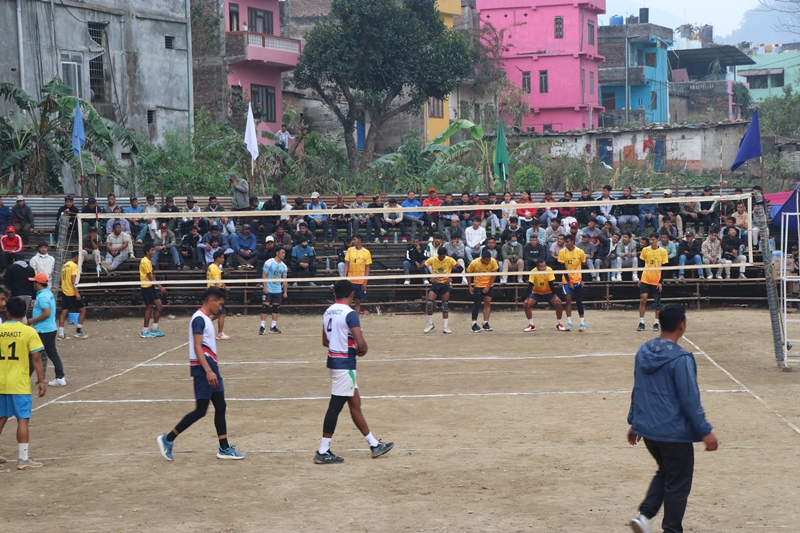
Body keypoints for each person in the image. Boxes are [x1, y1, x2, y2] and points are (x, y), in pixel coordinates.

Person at [626, 304, 717, 533]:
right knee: (678, 482)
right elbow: (689, 398)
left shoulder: (643, 351)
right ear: (682, 325)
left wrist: (635, 421)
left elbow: (638, 388)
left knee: (666, 471)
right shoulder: (681, 358)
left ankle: (644, 516)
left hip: (649, 431)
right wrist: (705, 431)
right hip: (673, 432)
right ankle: (671, 529)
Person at [156, 286, 244, 461]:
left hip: (211, 367)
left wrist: (212, 369)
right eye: (219, 303)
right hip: (204, 369)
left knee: (221, 406)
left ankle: (224, 447)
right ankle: (168, 438)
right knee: (201, 410)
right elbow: (197, 347)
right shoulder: (198, 319)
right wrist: (208, 371)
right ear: (211, 301)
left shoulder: (204, 318)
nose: (221, 307)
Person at [314, 280, 394, 464]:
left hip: (334, 361)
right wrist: (362, 348)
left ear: (335, 295)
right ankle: (323, 450)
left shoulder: (328, 311)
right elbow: (361, 342)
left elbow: (325, 341)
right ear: (351, 294)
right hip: (345, 364)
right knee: (335, 406)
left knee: (354, 403)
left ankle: (374, 444)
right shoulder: (350, 313)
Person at [0, 296, 46, 470]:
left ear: (7, 312)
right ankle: (23, 458)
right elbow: (36, 357)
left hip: (1, 381)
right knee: (23, 419)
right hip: (19, 382)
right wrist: (41, 381)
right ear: (25, 313)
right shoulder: (29, 332)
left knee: (1, 417)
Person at [27, 273, 65, 387]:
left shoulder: (42, 296)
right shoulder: (48, 293)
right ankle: (60, 377)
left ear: (38, 283)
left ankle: (25, 378)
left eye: (34, 282)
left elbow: (46, 313)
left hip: (43, 330)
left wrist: (32, 320)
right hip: (51, 328)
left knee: (33, 355)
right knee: (52, 353)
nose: (33, 284)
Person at [523, 258, 565, 332]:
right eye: (541, 267)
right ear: (537, 267)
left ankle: (559, 323)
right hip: (536, 293)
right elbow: (530, 285)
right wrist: (527, 298)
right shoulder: (533, 272)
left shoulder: (549, 270)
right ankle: (531, 325)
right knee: (526, 304)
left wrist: (555, 296)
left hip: (548, 293)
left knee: (558, 303)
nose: (544, 268)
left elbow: (551, 284)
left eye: (544, 266)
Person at [423, 247, 457, 334]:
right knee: (430, 303)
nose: (441, 258)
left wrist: (451, 278)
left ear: (445, 255)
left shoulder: (450, 260)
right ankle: (430, 324)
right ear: (437, 254)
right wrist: (429, 277)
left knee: (445, 306)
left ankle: (445, 327)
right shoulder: (432, 260)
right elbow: (421, 267)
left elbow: (460, 268)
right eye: (440, 256)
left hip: (445, 285)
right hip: (435, 284)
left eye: (443, 256)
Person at [638, 235, 668, 332]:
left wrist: (660, 282)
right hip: (645, 278)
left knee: (657, 302)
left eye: (653, 239)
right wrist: (640, 278)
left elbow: (664, 268)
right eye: (650, 239)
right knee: (643, 300)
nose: (651, 241)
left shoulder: (663, 251)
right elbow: (641, 264)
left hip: (656, 279)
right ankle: (641, 322)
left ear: (657, 240)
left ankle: (656, 322)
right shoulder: (645, 250)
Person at [558, 234, 587, 332]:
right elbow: (562, 267)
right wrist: (569, 281)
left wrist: (582, 279)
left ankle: (582, 323)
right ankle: (569, 323)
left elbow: (584, 265)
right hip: (566, 279)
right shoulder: (562, 252)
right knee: (568, 300)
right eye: (565, 242)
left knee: (579, 300)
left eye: (568, 242)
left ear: (572, 242)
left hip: (577, 279)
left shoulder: (580, 252)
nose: (566, 243)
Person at [466, 249, 498, 333]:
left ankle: (485, 322)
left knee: (487, 303)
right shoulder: (474, 263)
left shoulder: (493, 261)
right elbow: (468, 273)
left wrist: (488, 286)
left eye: (489, 260)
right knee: (477, 304)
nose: (488, 262)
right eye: (486, 260)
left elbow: (494, 274)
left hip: (489, 285)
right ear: (482, 258)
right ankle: (473, 323)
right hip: (478, 285)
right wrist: (470, 286)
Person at [57, 250, 88, 340]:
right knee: (83, 310)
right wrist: (77, 292)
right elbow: (73, 279)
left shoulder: (65, 265)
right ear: (76, 257)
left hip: (64, 290)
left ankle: (61, 334)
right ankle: (78, 331)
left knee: (64, 311)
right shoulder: (74, 266)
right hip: (71, 292)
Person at [139, 245, 166, 338]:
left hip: (150, 287)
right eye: (152, 250)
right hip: (146, 287)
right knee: (149, 308)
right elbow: (150, 276)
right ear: (147, 252)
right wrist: (160, 287)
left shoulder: (148, 261)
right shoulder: (144, 261)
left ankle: (154, 329)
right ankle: (144, 331)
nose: (153, 252)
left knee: (159, 306)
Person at [260, 248, 288, 335]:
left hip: (277, 289)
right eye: (282, 253)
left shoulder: (284, 266)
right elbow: (264, 275)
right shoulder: (269, 262)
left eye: (284, 253)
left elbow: (285, 280)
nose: (284, 254)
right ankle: (262, 327)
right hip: (269, 288)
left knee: (276, 308)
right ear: (277, 253)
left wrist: (285, 292)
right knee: (265, 307)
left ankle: (273, 327)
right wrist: (265, 287)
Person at [343, 235, 371, 315]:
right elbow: (346, 264)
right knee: (348, 300)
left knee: (357, 301)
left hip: (360, 281)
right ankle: (347, 317)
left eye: (354, 239)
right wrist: (344, 277)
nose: (353, 241)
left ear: (360, 240)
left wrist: (365, 282)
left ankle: (356, 319)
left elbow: (367, 268)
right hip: (350, 280)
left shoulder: (366, 252)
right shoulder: (350, 250)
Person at [206, 250, 230, 340]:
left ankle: (206, 321)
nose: (223, 259)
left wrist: (221, 284)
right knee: (222, 313)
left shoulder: (211, 266)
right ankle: (220, 333)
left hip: (210, 292)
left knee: (218, 313)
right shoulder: (216, 269)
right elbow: (216, 283)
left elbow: (215, 281)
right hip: (215, 293)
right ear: (218, 258)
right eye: (222, 257)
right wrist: (220, 294)